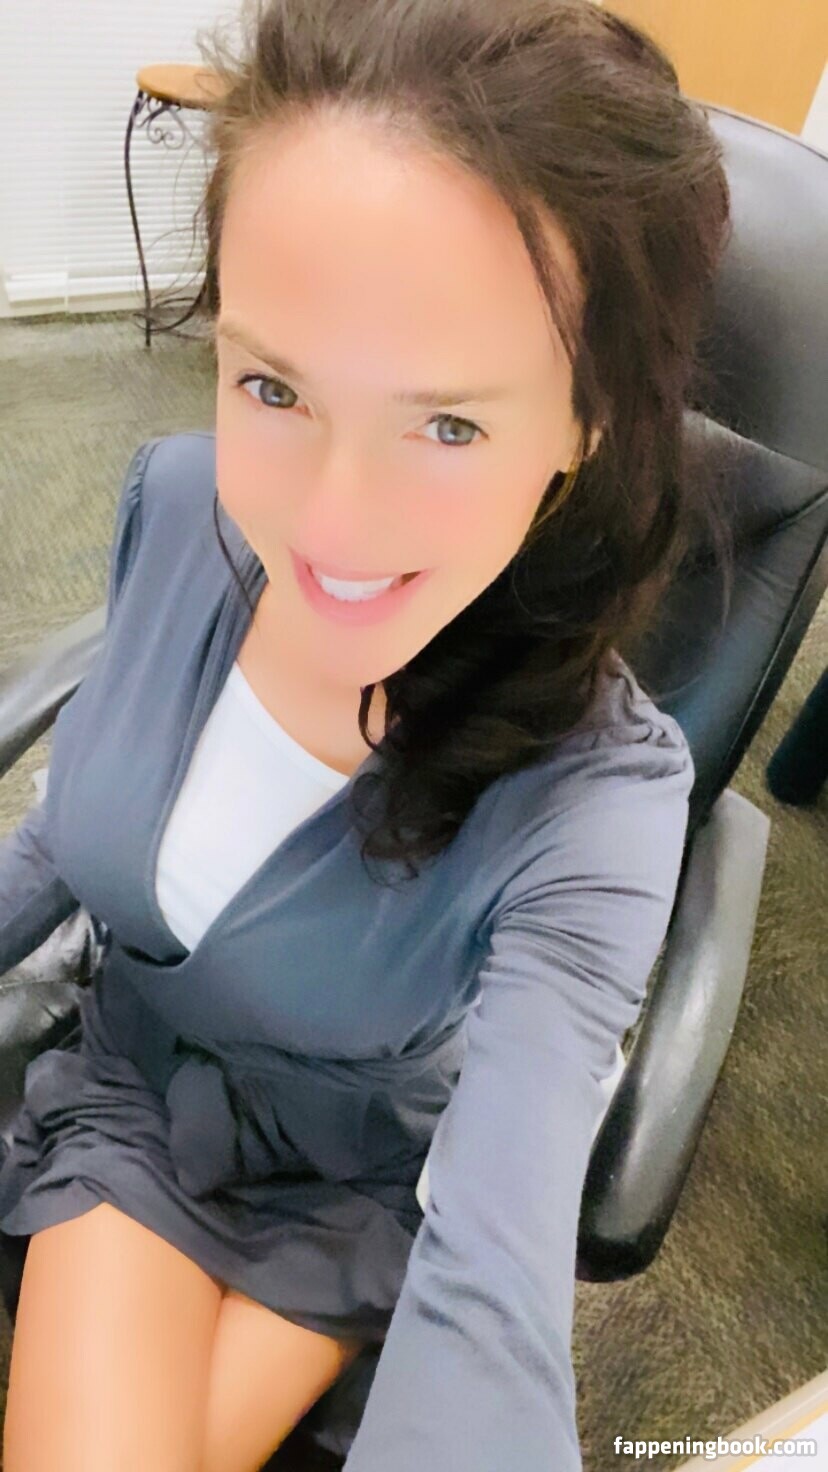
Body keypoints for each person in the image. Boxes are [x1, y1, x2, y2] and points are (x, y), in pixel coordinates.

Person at [0, 2, 735, 1469]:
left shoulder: (600, 795)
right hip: (140, 1093)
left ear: (584, 420)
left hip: (364, 1175)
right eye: (273, 386)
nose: (328, 527)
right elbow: (60, 837)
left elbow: (499, 1265)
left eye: (448, 424)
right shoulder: (176, 507)